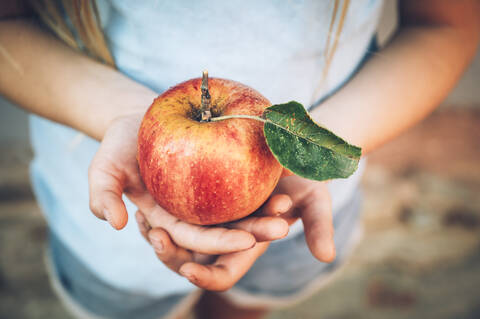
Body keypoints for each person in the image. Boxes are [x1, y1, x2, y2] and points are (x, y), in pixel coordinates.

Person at [1, 0, 479, 318]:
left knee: (251, 301)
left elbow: (445, 24)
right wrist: (119, 115)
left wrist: (323, 142)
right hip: (111, 231)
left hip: (292, 207)